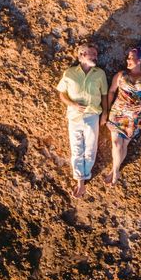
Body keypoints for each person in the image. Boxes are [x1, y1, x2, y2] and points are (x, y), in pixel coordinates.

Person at [57, 42, 108, 198]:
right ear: (81, 55)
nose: (95, 56)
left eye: (96, 54)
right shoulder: (69, 73)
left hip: (93, 115)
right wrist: (72, 103)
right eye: (92, 53)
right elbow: (61, 94)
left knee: (90, 148)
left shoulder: (100, 74)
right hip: (74, 116)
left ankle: (83, 178)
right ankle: (80, 181)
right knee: (76, 148)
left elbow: (105, 95)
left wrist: (105, 113)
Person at [105, 43, 141, 186]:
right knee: (117, 144)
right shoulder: (121, 75)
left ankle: (114, 170)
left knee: (124, 145)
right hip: (117, 113)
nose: (127, 60)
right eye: (128, 57)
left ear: (140, 60)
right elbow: (111, 91)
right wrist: (107, 109)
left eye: (131, 58)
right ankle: (116, 171)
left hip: (135, 116)